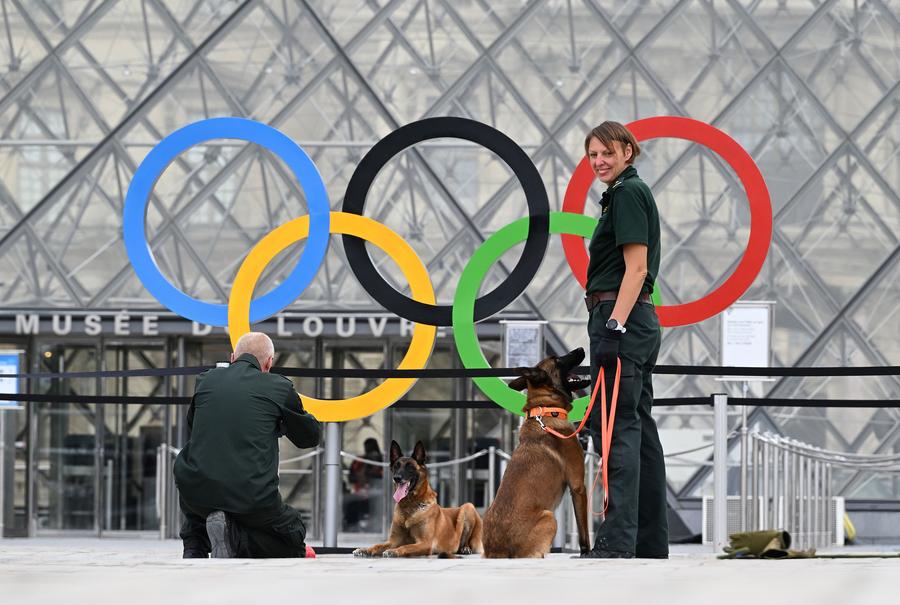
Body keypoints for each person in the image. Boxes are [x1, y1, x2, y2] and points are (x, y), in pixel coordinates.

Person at [581, 121, 668, 559]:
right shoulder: (625, 193)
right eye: (593, 155)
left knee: (618, 429)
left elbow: (636, 269)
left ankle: (617, 541)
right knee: (640, 428)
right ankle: (649, 541)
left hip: (622, 317)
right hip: (636, 319)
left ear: (629, 152)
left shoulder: (628, 193)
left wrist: (613, 325)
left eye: (607, 153)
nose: (599, 161)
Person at [174, 332, 321, 558]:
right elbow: (309, 438)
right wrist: (280, 423)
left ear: (233, 357)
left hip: (195, 490)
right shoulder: (279, 386)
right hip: (252, 496)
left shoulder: (206, 380)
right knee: (293, 533)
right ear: (269, 362)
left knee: (199, 500)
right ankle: (235, 538)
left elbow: (194, 425)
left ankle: (194, 546)